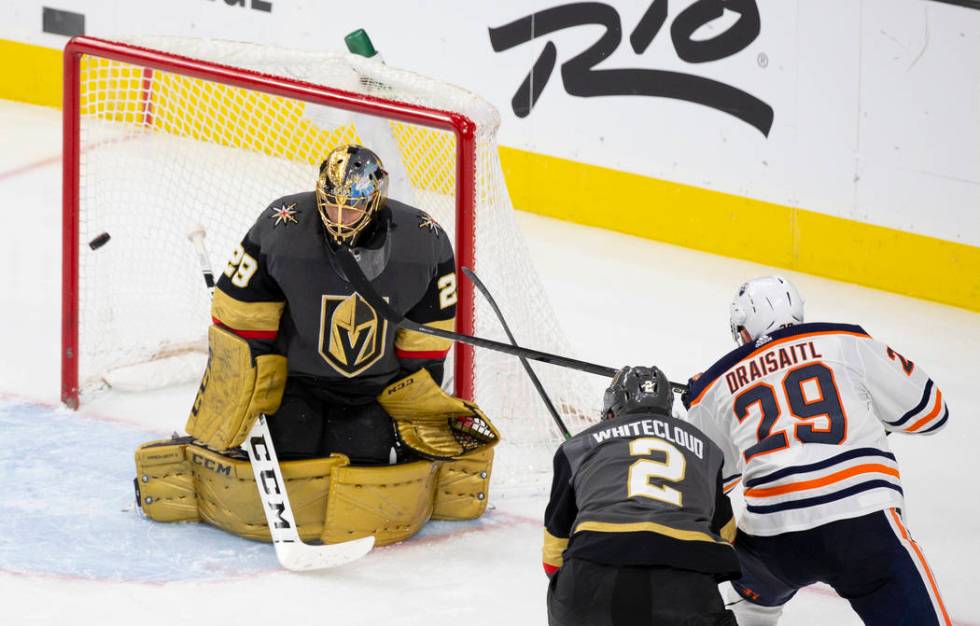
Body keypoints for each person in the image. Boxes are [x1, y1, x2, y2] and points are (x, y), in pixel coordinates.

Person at [135, 144, 498, 547]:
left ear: (374, 202)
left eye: (352, 209)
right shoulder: (282, 226)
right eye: (331, 205)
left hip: (371, 392)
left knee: (365, 471)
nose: (339, 218)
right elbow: (242, 318)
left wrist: (413, 401)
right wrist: (250, 385)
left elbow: (426, 340)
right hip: (297, 383)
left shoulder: (422, 242)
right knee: (293, 460)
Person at [684, 275, 951, 626]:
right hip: (863, 528)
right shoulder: (846, 339)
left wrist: (699, 405)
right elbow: (932, 413)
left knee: (746, 598)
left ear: (743, 332)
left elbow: (712, 484)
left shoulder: (715, 385)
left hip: (774, 544)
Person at [544, 366, 740, 626]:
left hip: (589, 580)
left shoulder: (575, 447)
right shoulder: (708, 449)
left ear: (612, 410)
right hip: (685, 583)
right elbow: (727, 535)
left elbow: (552, 556)